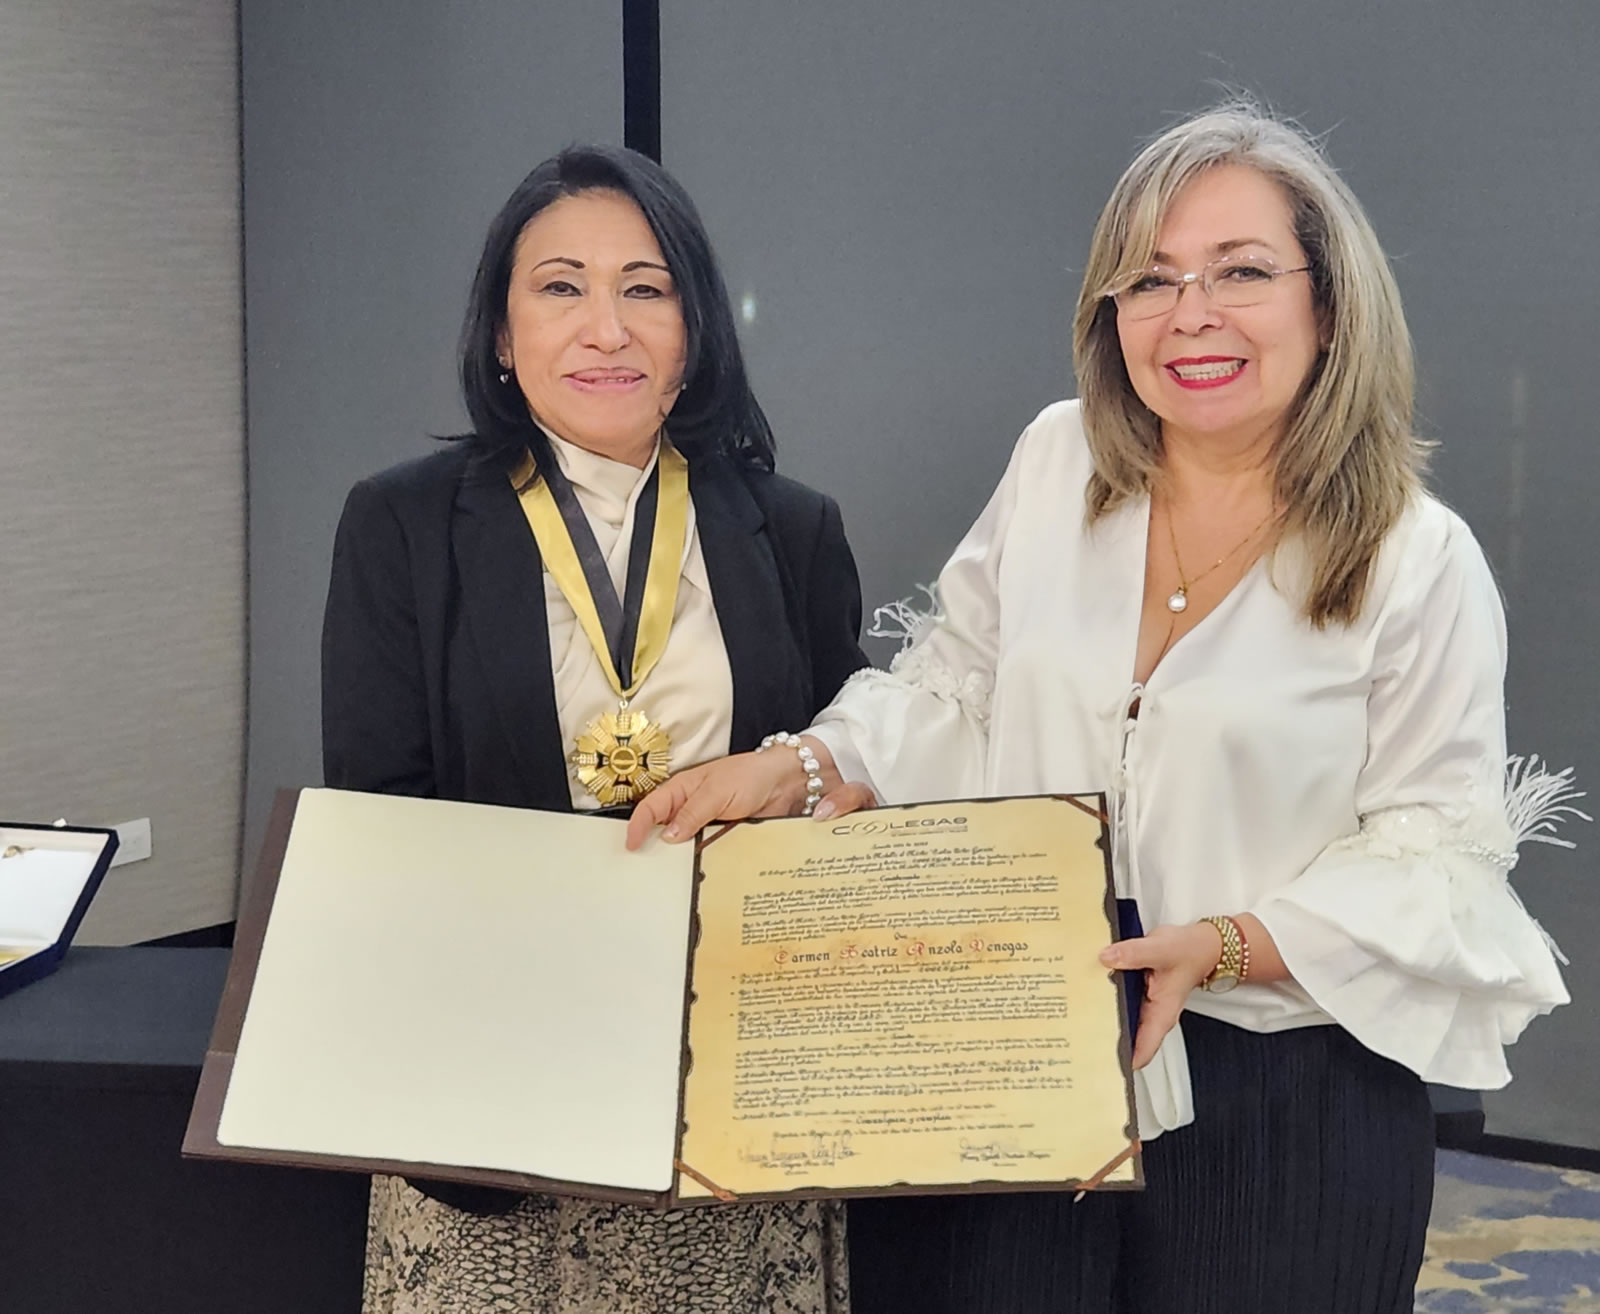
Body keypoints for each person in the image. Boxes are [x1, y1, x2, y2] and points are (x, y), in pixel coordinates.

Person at [628, 103, 1576, 1313]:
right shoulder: (1055, 461)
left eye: (1240, 272)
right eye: (1150, 280)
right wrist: (806, 767)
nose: (1191, 314)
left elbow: (1433, 853)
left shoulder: (1414, 557)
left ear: (1328, 304)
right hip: (1014, 1054)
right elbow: (956, 684)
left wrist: (1225, 943)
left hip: (1279, 1101)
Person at [322, 143, 866, 1314]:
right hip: (485, 1097)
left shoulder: (796, 531)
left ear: (696, 334)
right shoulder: (401, 526)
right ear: (504, 339)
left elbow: (847, 788)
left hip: (724, 1096)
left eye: (646, 288)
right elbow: (378, 817)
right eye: (560, 287)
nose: (605, 328)